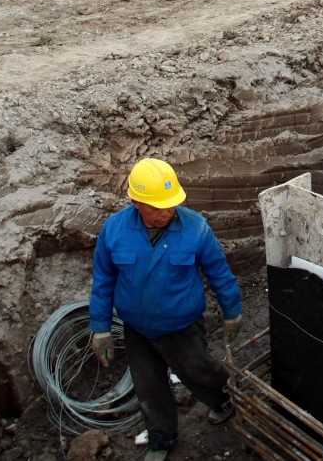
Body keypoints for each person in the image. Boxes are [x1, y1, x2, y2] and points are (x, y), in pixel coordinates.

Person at [90, 158, 243, 461]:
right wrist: (101, 328)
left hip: (182, 326)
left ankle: (223, 401)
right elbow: (103, 281)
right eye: (157, 207)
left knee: (199, 371)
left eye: (171, 205)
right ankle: (161, 439)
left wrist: (233, 311)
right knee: (149, 385)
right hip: (137, 328)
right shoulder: (115, 230)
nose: (166, 212)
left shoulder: (195, 228)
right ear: (136, 201)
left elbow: (219, 273)